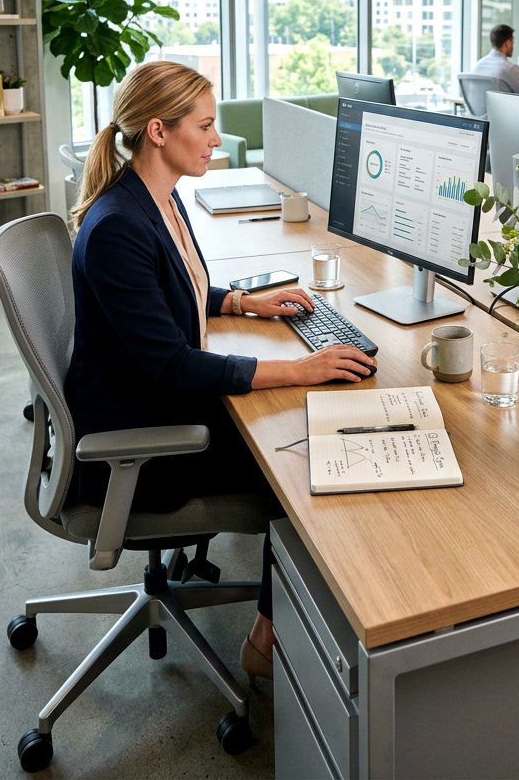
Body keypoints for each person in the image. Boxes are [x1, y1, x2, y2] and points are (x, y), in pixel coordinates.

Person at [66, 60, 375, 681]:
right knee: (305, 464)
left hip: (148, 403)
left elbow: (170, 287)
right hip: (142, 446)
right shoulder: (118, 228)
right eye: (205, 126)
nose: (215, 138)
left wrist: (239, 301)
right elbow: (175, 368)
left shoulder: (153, 200)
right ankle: (265, 643)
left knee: (306, 428)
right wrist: (301, 368)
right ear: (158, 130)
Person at [473, 24, 519, 96]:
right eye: (512, 43)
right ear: (507, 43)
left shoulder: (478, 65)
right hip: (501, 107)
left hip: (481, 107)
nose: (513, 47)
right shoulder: (510, 69)